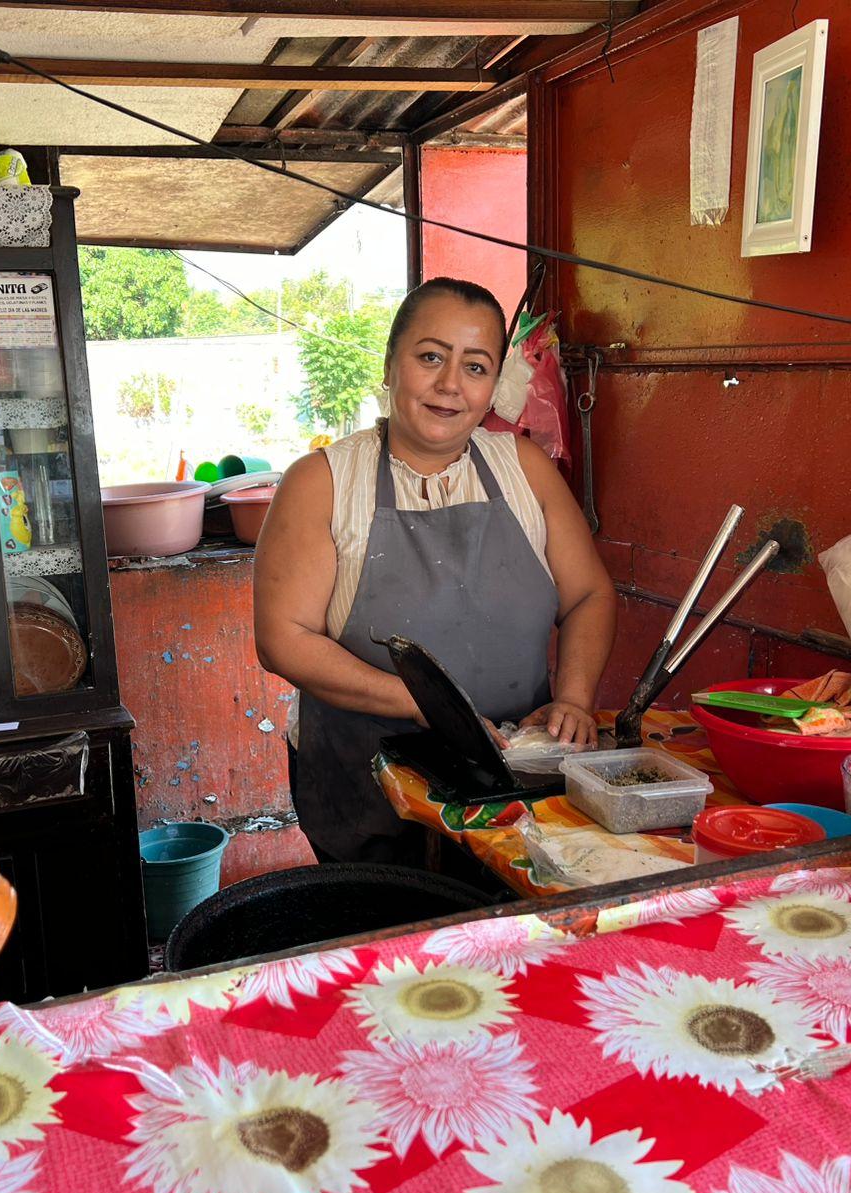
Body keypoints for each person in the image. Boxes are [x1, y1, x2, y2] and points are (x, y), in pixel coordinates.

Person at [254, 277, 616, 865]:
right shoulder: (321, 482)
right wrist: (418, 702)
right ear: (391, 363)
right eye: (430, 358)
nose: (451, 385)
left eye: (476, 367)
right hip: (367, 787)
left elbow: (590, 595)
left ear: (495, 383)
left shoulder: (524, 468)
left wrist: (574, 698)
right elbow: (283, 639)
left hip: (514, 784)